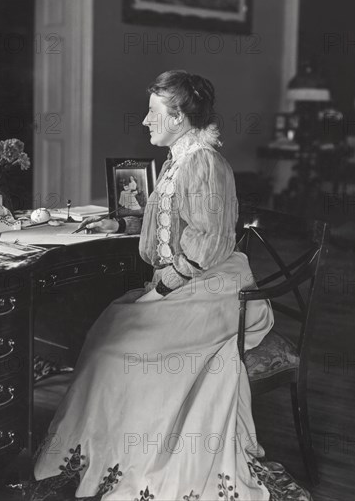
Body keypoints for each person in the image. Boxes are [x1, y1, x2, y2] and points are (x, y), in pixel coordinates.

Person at [31, 71, 306, 500]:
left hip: (217, 291)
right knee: (111, 330)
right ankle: (105, 454)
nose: (145, 120)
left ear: (178, 116)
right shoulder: (183, 157)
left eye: (154, 112)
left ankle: (138, 462)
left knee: (122, 347)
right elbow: (175, 220)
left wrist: (160, 291)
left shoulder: (204, 163)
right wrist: (121, 221)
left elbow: (207, 242)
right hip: (196, 281)